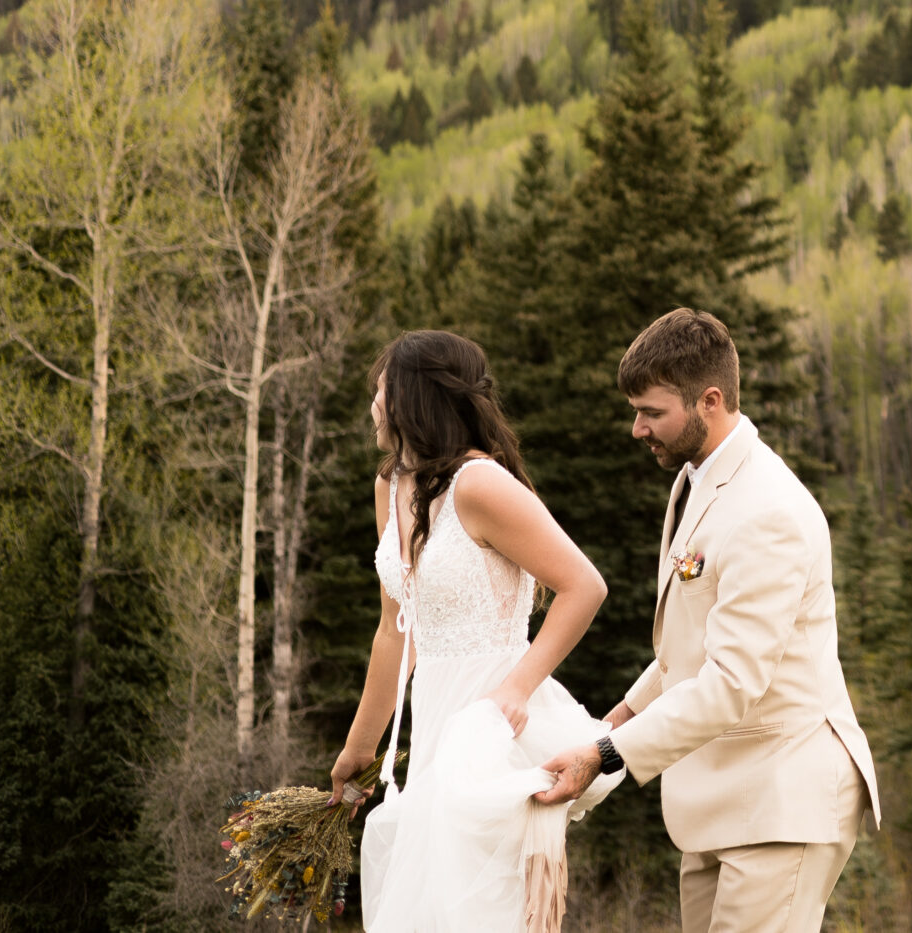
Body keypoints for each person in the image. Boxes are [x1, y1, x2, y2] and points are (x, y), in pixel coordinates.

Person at [536, 307, 879, 933]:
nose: (637, 429)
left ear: (710, 400)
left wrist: (606, 753)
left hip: (783, 798)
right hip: (719, 798)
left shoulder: (767, 511)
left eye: (652, 412)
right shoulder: (698, 478)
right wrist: (619, 716)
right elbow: (691, 643)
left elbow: (731, 681)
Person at [331, 330, 624, 933]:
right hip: (436, 721)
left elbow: (583, 587)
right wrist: (360, 748)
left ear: (414, 396)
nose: (373, 405)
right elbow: (395, 632)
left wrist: (515, 689)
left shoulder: (481, 485)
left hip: (494, 722)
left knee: (481, 911)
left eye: (381, 390)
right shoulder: (389, 489)